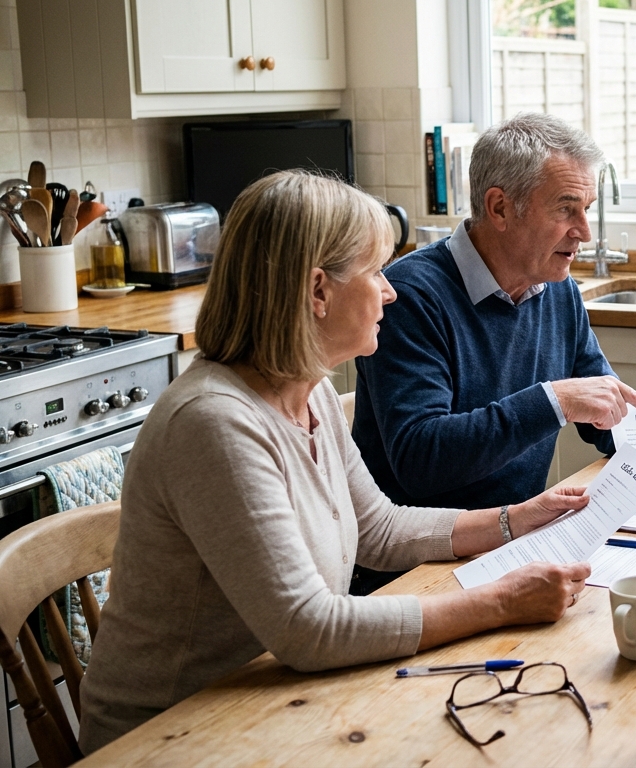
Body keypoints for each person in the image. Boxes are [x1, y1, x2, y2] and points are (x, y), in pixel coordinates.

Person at [80, 172, 597, 754]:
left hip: (273, 696)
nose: (390, 290)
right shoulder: (214, 423)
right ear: (318, 290)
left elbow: (377, 528)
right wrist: (500, 601)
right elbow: (309, 628)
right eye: (376, 272)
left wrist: (514, 520)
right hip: (174, 736)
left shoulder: (309, 388)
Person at [353, 112, 636, 512]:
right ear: (500, 208)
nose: (584, 231)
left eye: (587, 208)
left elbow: (609, 413)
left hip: (519, 532)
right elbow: (421, 462)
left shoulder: (558, 290)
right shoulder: (408, 296)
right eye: (565, 209)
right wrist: (553, 401)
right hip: (423, 556)